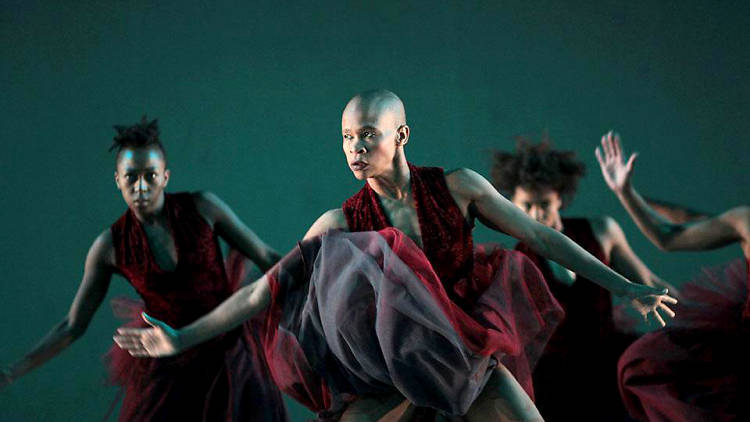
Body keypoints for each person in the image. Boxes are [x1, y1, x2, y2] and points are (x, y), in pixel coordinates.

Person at [114, 92, 675, 421]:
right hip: (389, 375)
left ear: (401, 134)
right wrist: (182, 338)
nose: (355, 149)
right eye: (345, 139)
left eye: (366, 136)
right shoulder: (341, 222)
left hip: (466, 359)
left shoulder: (459, 188)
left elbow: (542, 236)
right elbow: (265, 290)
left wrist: (622, 284)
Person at [0, 117, 288, 421]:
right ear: (117, 180)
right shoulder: (110, 246)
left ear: (165, 177)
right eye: (131, 177)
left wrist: (320, 269)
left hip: (229, 350)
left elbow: (267, 256)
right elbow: (72, 325)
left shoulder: (203, 208)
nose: (140, 187)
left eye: (150, 176)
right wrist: (11, 372)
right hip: (166, 359)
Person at [491, 137, 673, 420]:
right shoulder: (513, 259)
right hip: (552, 379)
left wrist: (697, 313)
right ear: (511, 204)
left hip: (606, 364)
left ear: (560, 198)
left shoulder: (601, 230)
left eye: (544, 203)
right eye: (526, 205)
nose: (536, 214)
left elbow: (647, 279)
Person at [595, 131, 749, 422]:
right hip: (737, 355)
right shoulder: (745, 221)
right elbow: (668, 237)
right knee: (644, 363)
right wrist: (624, 192)